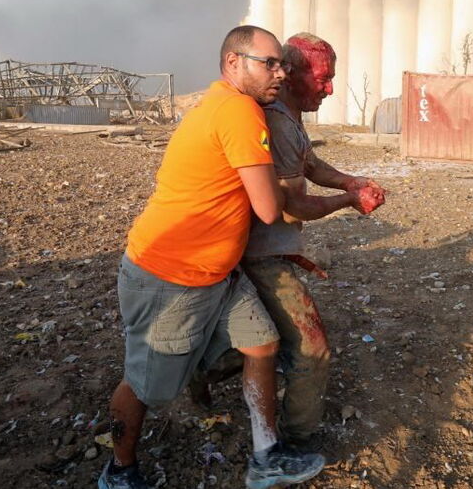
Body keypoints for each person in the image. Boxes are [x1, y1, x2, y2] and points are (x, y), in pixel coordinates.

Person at [99, 26, 325, 489]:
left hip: (216, 273)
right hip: (171, 276)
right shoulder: (241, 112)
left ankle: (266, 458)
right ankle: (119, 471)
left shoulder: (228, 104)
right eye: (270, 63)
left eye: (283, 64)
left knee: (261, 343)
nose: (280, 73)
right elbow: (269, 207)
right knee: (144, 385)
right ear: (233, 63)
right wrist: (330, 197)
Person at [190, 32, 386, 447]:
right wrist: (349, 199)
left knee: (262, 338)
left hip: (267, 249)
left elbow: (309, 162)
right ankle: (298, 440)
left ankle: (199, 369)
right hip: (263, 255)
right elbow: (289, 207)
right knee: (312, 350)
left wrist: (349, 181)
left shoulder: (290, 114)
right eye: (324, 78)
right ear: (293, 73)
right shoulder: (276, 121)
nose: (330, 88)